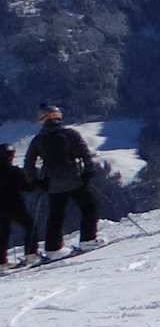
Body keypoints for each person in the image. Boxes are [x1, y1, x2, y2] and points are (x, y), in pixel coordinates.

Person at [25, 104, 99, 257]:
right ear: (58, 117)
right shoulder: (70, 134)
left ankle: (53, 249)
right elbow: (85, 153)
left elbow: (29, 163)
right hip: (75, 180)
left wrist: (36, 181)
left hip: (53, 184)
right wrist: (88, 171)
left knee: (55, 216)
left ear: (41, 120)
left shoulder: (38, 140)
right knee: (89, 208)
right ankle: (88, 240)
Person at [1, 145, 33, 268]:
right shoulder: (14, 170)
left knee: (3, 233)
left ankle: (1, 262)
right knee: (30, 225)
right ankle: (31, 254)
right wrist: (40, 183)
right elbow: (27, 187)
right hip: (15, 205)